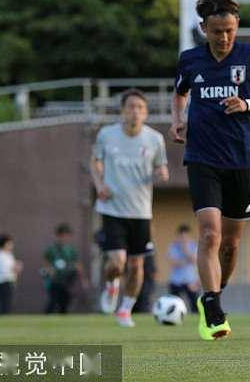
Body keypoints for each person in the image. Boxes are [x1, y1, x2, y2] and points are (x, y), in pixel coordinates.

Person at [170, 0, 250, 340]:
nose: (224, 37)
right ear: (204, 29)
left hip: (242, 158)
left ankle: (214, 293)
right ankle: (213, 304)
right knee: (210, 233)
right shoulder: (190, 60)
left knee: (230, 244)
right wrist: (178, 121)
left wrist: (246, 103)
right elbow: (179, 94)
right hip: (202, 157)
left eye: (230, 30)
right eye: (217, 31)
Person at [92, 88, 169, 327]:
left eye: (140, 108)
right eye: (131, 107)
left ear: (145, 113)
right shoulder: (106, 135)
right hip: (112, 208)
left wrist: (161, 173)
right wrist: (99, 184)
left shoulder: (155, 139)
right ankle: (111, 284)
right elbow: (95, 162)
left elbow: (162, 168)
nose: (135, 112)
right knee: (117, 262)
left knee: (136, 264)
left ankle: (125, 310)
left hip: (141, 212)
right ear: (122, 111)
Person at [43, 223, 86, 314]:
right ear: (58, 236)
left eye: (66, 236)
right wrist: (49, 271)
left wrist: (83, 279)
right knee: (53, 301)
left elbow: (78, 264)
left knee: (65, 302)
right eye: (62, 236)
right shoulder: (52, 250)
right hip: (54, 280)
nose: (64, 238)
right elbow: (46, 263)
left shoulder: (71, 250)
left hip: (67, 280)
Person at [167, 225, 200, 312]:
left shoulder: (194, 245)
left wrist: (185, 250)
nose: (183, 238)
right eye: (181, 236)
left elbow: (194, 260)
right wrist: (187, 260)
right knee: (173, 304)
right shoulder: (173, 246)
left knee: (195, 305)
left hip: (191, 281)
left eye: (185, 236)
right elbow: (174, 263)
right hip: (176, 281)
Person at [0, 234, 22, 315]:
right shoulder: (0, 255)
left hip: (9, 281)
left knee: (8, 302)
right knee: (4, 302)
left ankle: (5, 315)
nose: (11, 245)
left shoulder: (9, 255)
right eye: (10, 243)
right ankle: (3, 316)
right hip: (3, 282)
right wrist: (15, 267)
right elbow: (5, 269)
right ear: (5, 244)